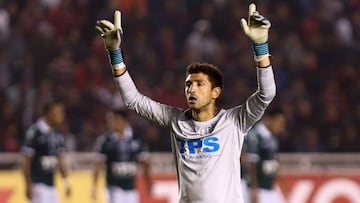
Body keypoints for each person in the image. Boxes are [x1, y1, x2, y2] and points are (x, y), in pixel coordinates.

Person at [95, 3, 276, 202]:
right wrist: (115, 52)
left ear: (215, 92)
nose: (192, 89)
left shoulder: (234, 121)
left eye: (200, 84)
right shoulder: (175, 120)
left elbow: (266, 94)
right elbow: (132, 99)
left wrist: (261, 47)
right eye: (188, 84)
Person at [91, 109, 152, 203]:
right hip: (113, 187)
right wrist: (94, 186)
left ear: (124, 121)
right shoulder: (105, 140)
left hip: (131, 187)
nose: (113, 123)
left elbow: (145, 163)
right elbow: (98, 164)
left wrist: (148, 182)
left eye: (115, 120)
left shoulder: (137, 139)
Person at [21, 100, 71, 203]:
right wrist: (28, 185)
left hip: (52, 186)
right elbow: (26, 162)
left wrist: (66, 182)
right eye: (59, 112)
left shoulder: (57, 135)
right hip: (38, 185)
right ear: (49, 113)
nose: (62, 115)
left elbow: (60, 161)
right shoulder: (35, 132)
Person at [242, 106, 287, 203]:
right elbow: (250, 164)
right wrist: (254, 189)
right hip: (258, 188)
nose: (280, 126)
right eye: (279, 122)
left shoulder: (273, 138)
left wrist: (281, 181)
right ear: (269, 119)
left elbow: (273, 161)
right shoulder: (255, 136)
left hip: (270, 186)